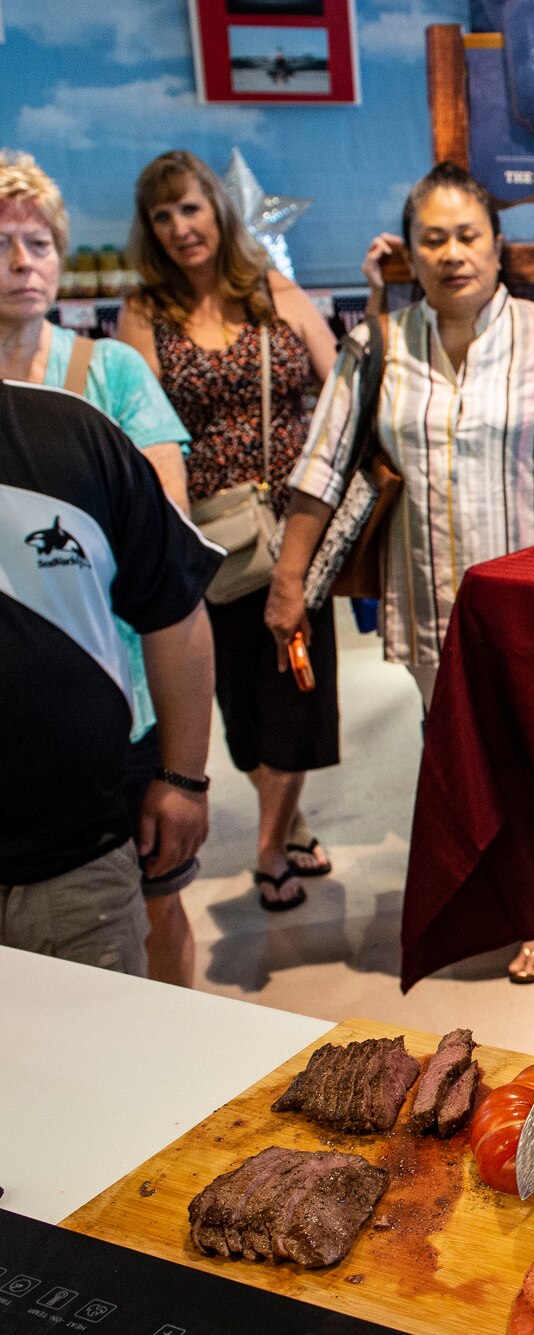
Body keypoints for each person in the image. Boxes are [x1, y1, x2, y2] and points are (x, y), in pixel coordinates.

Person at [275, 162, 534, 983]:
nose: (453, 252)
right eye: (434, 238)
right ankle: (528, 907)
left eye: (468, 235)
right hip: (430, 603)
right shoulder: (377, 344)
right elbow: (324, 464)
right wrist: (289, 581)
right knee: (465, 753)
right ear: (410, 253)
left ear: (498, 246)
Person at [0, 150, 207, 986]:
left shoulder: (108, 374)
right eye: (4, 242)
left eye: (40, 243)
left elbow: (164, 535)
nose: (23, 262)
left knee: (154, 904)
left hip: (119, 701)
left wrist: (182, 771)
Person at [116, 150, 341, 914]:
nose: (181, 227)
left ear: (219, 209)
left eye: (191, 207)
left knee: (297, 694)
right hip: (206, 535)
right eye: (163, 215)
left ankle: (271, 846)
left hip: (295, 529)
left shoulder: (272, 291)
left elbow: (336, 381)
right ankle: (289, 814)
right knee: (241, 706)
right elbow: (139, 428)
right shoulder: (145, 313)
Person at [0, 379, 219, 975]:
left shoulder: (73, 434)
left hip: (77, 862)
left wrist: (182, 778)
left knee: (102, 1057)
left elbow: (174, 606)